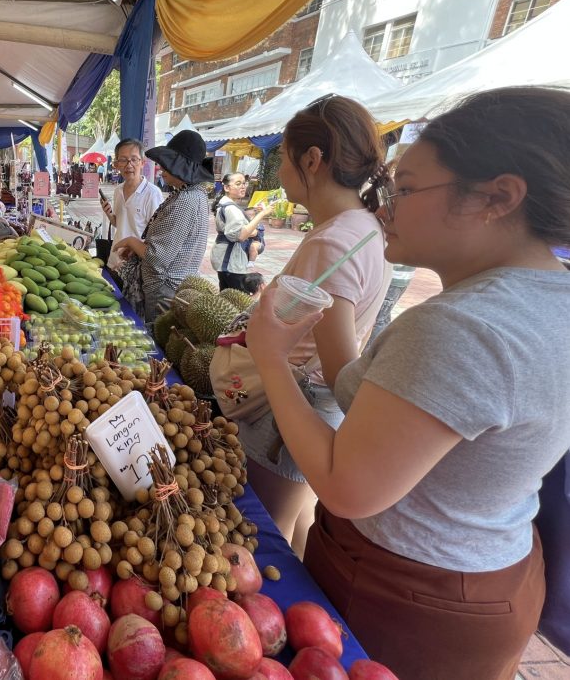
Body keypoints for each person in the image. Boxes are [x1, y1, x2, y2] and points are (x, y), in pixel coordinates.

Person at [244, 86, 570, 680]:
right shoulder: (547, 298)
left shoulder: (464, 327)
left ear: (497, 197)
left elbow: (346, 487)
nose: (386, 205)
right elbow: (376, 400)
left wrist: (270, 357)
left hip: (411, 590)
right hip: (496, 567)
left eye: (409, 188)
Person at [235, 95, 390, 556]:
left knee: (265, 544)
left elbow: (342, 369)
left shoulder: (331, 243)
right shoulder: (365, 227)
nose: (279, 171)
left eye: (282, 157)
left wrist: (269, 346)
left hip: (293, 414)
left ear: (312, 160)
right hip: (312, 413)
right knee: (296, 531)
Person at [113, 130, 212, 326]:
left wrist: (131, 241)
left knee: (160, 339)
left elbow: (157, 257)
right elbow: (168, 243)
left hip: (166, 292)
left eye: (167, 164)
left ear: (181, 168)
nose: (161, 169)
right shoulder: (194, 195)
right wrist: (136, 248)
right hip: (172, 288)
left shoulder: (185, 201)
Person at [99, 138, 164, 286]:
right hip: (114, 261)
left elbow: (155, 236)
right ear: (116, 164)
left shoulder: (152, 194)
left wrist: (133, 251)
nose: (129, 165)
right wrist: (109, 214)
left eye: (134, 159)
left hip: (135, 268)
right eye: (123, 160)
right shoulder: (118, 190)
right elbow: (119, 223)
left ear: (142, 162)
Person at [210, 172, 272, 290]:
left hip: (225, 258)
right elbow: (241, 235)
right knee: (236, 300)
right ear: (227, 187)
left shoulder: (226, 205)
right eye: (238, 184)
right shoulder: (231, 209)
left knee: (226, 297)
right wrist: (263, 214)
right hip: (231, 261)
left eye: (244, 183)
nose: (243, 186)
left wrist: (257, 215)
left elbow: (245, 229)